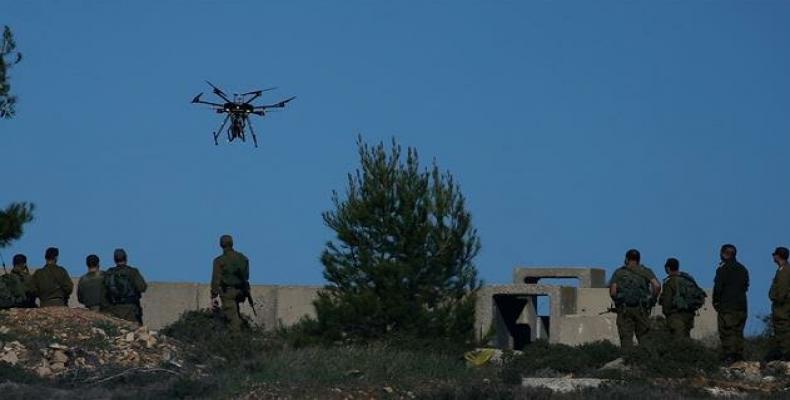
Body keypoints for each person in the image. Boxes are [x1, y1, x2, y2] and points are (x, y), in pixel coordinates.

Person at [609, 249, 661, 349]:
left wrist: (618, 301)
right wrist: (652, 299)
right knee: (644, 337)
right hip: (641, 309)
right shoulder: (646, 271)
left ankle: (627, 360)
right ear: (639, 259)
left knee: (626, 338)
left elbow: (613, 292)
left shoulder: (619, 272)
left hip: (624, 310)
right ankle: (646, 360)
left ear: (627, 259)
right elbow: (657, 286)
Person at [713, 243, 749, 364]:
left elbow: (718, 288)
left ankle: (730, 356)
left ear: (724, 254)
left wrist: (716, 302)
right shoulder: (743, 269)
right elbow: (745, 286)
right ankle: (738, 355)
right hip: (741, 306)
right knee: (738, 331)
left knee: (728, 332)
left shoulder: (723, 269)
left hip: (727, 306)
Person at [659, 258, 706, 339]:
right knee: (686, 339)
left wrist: (667, 313)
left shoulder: (670, 282)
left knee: (678, 342)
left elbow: (666, 304)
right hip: (689, 316)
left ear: (668, 268)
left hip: (676, 317)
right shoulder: (687, 279)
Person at [211, 234, 250, 331]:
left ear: (221, 245)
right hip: (241, 291)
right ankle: (245, 331)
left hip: (228, 292)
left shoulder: (219, 261)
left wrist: (213, 295)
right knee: (235, 312)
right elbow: (246, 276)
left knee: (232, 320)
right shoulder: (243, 258)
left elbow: (216, 279)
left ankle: (237, 341)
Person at [103, 249, 147, 324]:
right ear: (126, 258)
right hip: (130, 310)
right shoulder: (132, 272)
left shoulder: (109, 273)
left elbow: (104, 292)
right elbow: (142, 287)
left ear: (114, 260)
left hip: (114, 310)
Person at [769, 247, 790, 361]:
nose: (773, 257)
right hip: (783, 306)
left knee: (783, 329)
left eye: (774, 254)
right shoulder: (783, 269)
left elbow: (781, 291)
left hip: (782, 307)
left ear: (778, 256)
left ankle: (785, 354)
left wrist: (777, 301)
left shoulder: (784, 271)